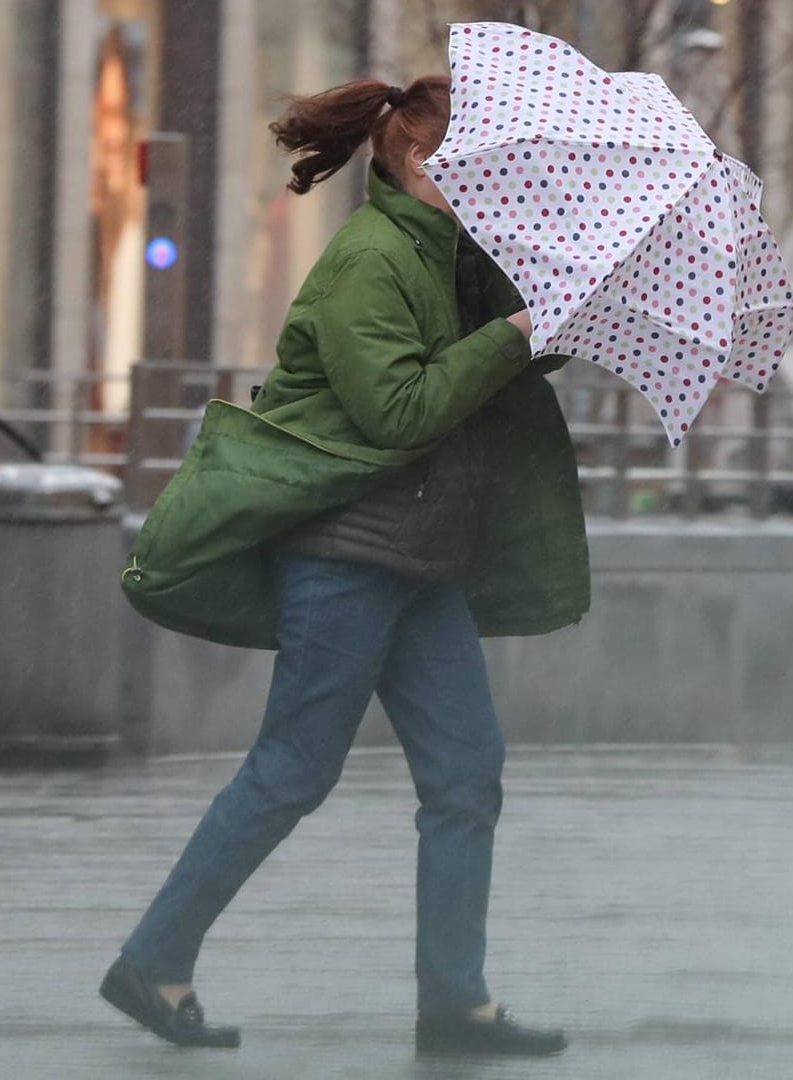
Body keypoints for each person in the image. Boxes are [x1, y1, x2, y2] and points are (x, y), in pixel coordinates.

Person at [100, 75, 589, 1057]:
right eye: (482, 167)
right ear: (416, 154)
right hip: (349, 555)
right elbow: (400, 411)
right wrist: (512, 333)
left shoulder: (447, 256)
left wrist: (551, 314)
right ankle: (153, 959)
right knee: (292, 769)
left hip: (421, 560)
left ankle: (454, 1002)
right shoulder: (370, 259)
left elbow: (482, 369)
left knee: (466, 774)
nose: (500, 187)